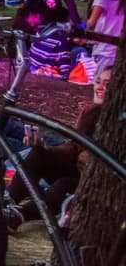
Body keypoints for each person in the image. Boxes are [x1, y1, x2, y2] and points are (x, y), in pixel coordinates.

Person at [6, 68, 109, 229]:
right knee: (38, 154)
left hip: (98, 184)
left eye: (107, 84)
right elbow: (72, 147)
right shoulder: (91, 113)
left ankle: (19, 215)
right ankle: (7, 202)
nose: (100, 87)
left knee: (63, 185)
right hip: (78, 171)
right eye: (97, 82)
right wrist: (44, 147)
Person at [82, 0, 125, 75]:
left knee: (99, 86)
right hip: (118, 51)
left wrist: (79, 32)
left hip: (105, 50)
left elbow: (90, 24)